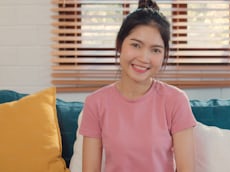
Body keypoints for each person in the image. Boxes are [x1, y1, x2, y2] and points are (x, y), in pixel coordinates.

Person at [79, 0, 197, 172]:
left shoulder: (175, 100)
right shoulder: (95, 103)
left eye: (155, 50)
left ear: (164, 55)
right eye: (136, 45)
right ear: (119, 45)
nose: (144, 58)